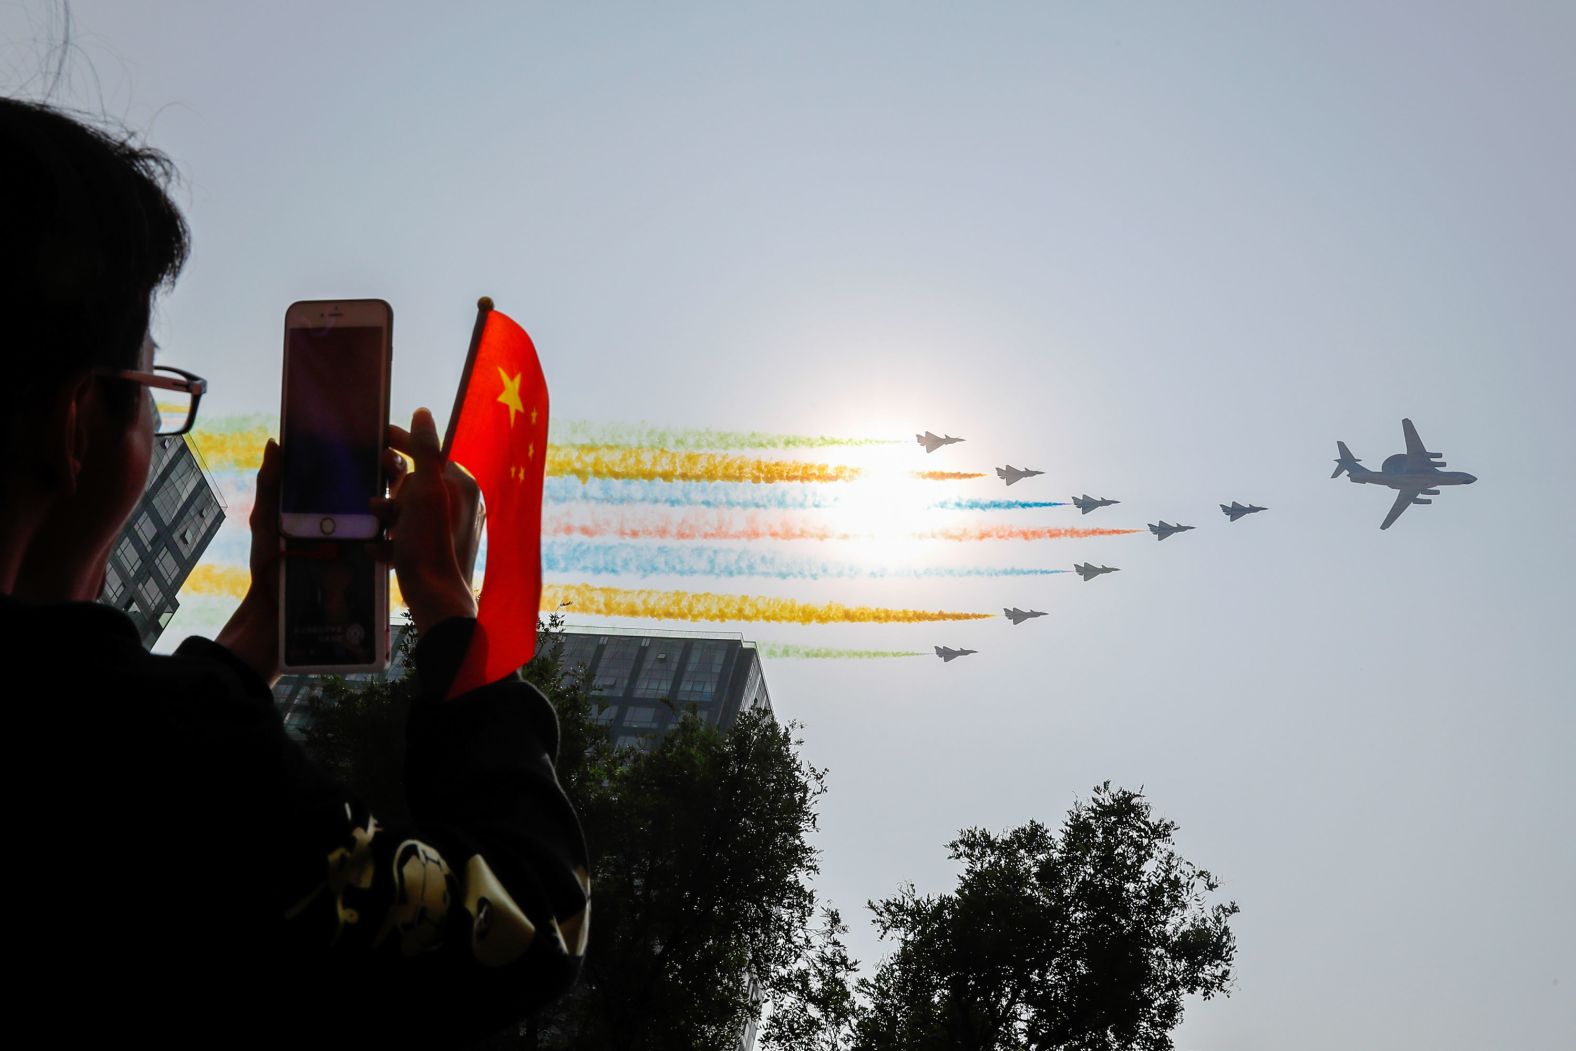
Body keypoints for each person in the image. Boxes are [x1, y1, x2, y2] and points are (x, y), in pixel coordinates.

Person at [0, 98, 589, 1046]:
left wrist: (266, 625)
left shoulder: (156, 736)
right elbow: (530, 927)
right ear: (79, 426)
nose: (156, 427)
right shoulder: (161, 762)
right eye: (154, 392)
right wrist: (446, 608)